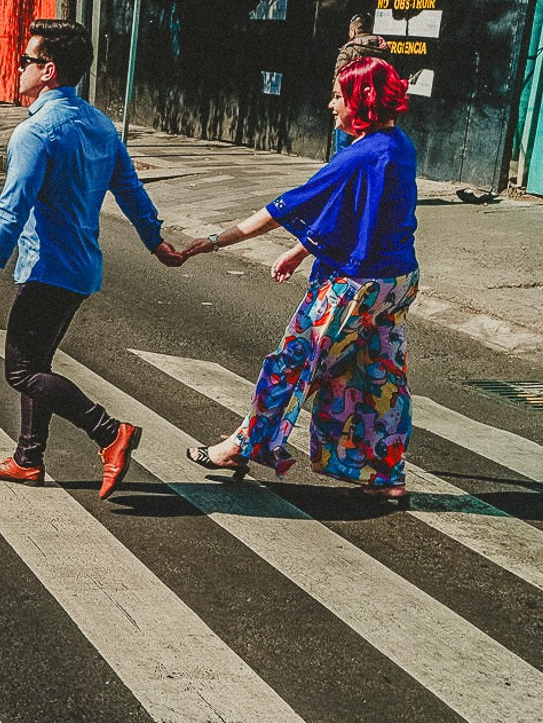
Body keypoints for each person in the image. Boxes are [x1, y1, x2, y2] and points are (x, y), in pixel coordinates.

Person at [179, 56, 420, 505]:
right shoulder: (398, 145)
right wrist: (299, 251)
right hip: (396, 281)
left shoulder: (359, 157)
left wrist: (215, 241)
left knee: (292, 363)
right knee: (380, 375)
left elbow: (284, 208)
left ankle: (242, 445)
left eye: (338, 96)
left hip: (355, 285)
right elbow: (353, 217)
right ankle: (387, 473)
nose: (331, 105)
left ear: (361, 100)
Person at [0, 19, 185, 498]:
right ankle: (28, 459)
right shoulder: (100, 125)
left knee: (21, 371)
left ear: (48, 71)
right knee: (39, 363)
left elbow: (11, 208)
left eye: (25, 60)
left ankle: (109, 432)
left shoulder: (35, 133)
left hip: (47, 268)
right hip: (81, 269)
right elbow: (129, 188)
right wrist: (154, 240)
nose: (19, 68)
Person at [330, 27, 387, 159]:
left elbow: (339, 78)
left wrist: (338, 97)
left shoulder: (349, 49)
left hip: (350, 105)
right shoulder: (383, 50)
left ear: (353, 30)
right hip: (374, 107)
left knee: (342, 148)